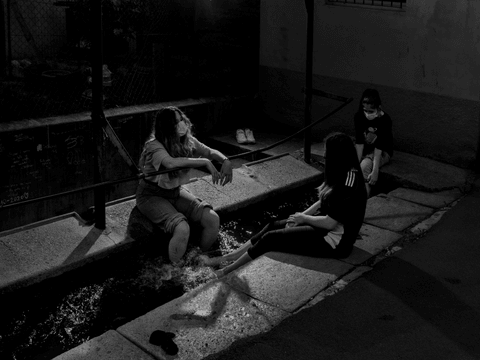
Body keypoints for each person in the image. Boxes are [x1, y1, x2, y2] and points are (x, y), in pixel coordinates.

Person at [200, 132, 367, 278]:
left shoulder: (349, 183)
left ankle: (226, 271)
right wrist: (299, 216)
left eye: (327, 153)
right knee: (273, 225)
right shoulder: (345, 171)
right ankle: (228, 257)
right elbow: (325, 201)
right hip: (326, 229)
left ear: (337, 156)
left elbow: (329, 222)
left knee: (271, 239)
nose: (324, 156)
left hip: (335, 242)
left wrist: (304, 218)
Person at [136, 106, 233, 264]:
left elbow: (209, 151)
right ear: (166, 127)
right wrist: (204, 162)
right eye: (175, 123)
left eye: (181, 119)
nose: (181, 124)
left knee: (212, 219)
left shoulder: (187, 141)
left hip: (175, 192)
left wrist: (225, 160)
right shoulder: (154, 145)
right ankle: (177, 272)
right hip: (151, 195)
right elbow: (170, 162)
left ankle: (199, 259)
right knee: (182, 227)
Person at [354, 89, 394, 197]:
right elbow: (359, 143)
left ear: (378, 108)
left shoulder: (384, 119)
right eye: (365, 110)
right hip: (365, 150)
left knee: (364, 167)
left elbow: (379, 147)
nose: (367, 114)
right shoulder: (359, 116)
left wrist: (375, 171)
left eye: (371, 111)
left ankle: (363, 203)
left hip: (382, 151)